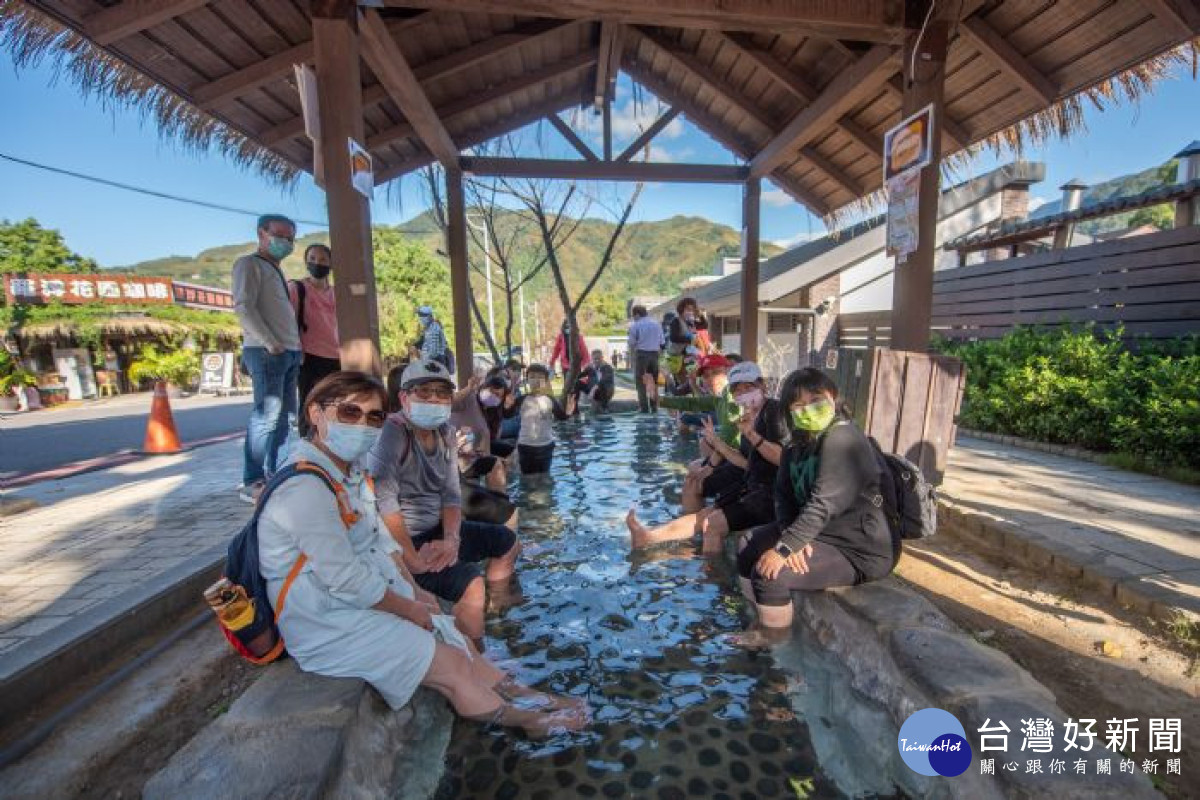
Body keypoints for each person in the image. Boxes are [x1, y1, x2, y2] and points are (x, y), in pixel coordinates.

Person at [258, 370, 585, 736]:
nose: (364, 425)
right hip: (325, 620)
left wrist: (415, 589)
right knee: (450, 663)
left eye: (373, 417)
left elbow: (380, 540)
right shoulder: (305, 487)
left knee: (457, 640)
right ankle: (522, 720)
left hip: (362, 593)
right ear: (315, 413)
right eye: (350, 413)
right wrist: (409, 606)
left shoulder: (346, 472)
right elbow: (345, 579)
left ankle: (521, 693)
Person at [367, 360, 521, 642]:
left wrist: (452, 539)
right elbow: (384, 502)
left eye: (441, 393)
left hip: (438, 532)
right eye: (424, 392)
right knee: (472, 582)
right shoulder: (392, 432)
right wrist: (411, 560)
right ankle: (475, 654)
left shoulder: (446, 433)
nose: (434, 399)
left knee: (508, 542)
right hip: (401, 544)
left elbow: (451, 494)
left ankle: (495, 612)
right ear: (404, 397)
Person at [736, 368, 900, 630]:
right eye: (798, 404)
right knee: (747, 544)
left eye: (816, 401)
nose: (808, 409)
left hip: (858, 548)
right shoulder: (795, 445)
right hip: (821, 535)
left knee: (769, 574)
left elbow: (824, 503)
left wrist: (785, 548)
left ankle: (773, 644)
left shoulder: (844, 437)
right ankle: (754, 616)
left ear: (833, 397)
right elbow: (783, 497)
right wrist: (792, 535)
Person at [627, 361, 786, 553]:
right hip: (751, 484)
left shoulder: (774, 412)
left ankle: (713, 575)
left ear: (762, 385)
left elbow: (782, 459)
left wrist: (749, 436)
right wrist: (716, 443)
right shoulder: (748, 413)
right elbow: (747, 463)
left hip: (772, 493)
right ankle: (648, 537)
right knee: (705, 512)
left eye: (748, 387)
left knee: (712, 522)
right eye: (738, 389)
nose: (743, 393)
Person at [233, 213, 303, 503]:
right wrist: (269, 342)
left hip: (288, 350)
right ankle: (253, 480)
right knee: (265, 417)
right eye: (280, 235)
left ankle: (278, 473)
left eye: (290, 237)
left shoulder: (275, 270)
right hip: (267, 351)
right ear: (262, 233)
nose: (285, 242)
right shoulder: (249, 264)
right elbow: (243, 307)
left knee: (286, 418)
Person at [658, 354, 745, 512]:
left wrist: (710, 467)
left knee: (693, 481)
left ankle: (692, 523)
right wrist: (659, 399)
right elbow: (692, 402)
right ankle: (696, 510)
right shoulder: (721, 398)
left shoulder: (732, 398)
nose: (710, 378)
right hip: (732, 456)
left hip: (742, 463)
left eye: (715, 372)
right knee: (694, 466)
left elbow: (729, 434)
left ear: (728, 371)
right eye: (705, 375)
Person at [289, 243, 340, 436]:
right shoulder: (297, 289)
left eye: (322, 260)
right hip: (309, 356)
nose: (317, 263)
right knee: (310, 404)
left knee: (334, 404)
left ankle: (331, 444)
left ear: (331, 264)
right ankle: (308, 446)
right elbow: (288, 323)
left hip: (336, 356)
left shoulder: (336, 293)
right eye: (312, 259)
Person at [451, 373, 515, 493]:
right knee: (496, 463)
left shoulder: (492, 412)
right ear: (483, 387)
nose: (492, 395)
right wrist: (468, 388)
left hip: (473, 454)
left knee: (507, 454)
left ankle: (495, 493)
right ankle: (499, 499)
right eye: (490, 390)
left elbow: (487, 447)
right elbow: (450, 403)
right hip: (458, 457)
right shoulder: (469, 399)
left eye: (497, 395)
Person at [513, 364, 574, 474]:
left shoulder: (550, 400)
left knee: (544, 476)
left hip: (546, 446)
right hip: (526, 446)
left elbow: (561, 417)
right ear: (527, 381)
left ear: (546, 381)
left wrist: (568, 412)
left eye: (540, 377)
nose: (536, 380)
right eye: (532, 377)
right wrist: (506, 407)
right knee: (527, 477)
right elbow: (508, 414)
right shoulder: (521, 400)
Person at [627, 305, 664, 413]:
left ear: (637, 314)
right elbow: (662, 342)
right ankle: (654, 407)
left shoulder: (636, 326)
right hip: (655, 355)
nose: (633, 318)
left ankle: (644, 408)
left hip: (642, 355)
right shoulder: (656, 324)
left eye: (634, 316)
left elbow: (631, 343)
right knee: (654, 382)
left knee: (641, 383)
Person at [665, 298, 699, 387]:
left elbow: (701, 328)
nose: (690, 312)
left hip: (688, 356)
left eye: (692, 310)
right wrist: (690, 339)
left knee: (690, 380)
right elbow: (674, 337)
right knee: (681, 381)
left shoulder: (689, 322)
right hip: (677, 357)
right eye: (688, 309)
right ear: (681, 309)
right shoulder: (675, 321)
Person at [415, 306, 451, 371]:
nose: (420, 318)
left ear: (428, 317)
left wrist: (426, 362)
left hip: (435, 363)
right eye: (420, 315)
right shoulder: (429, 328)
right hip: (433, 362)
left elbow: (433, 351)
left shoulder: (433, 329)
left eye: (422, 315)